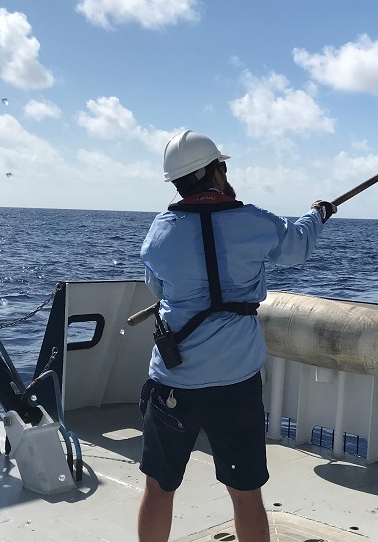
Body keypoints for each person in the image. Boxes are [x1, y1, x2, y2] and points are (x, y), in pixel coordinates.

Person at [137, 130, 336, 542]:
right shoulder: (253, 221)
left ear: (177, 182)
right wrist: (317, 214)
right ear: (215, 172)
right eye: (222, 166)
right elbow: (296, 247)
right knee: (245, 493)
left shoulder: (159, 233)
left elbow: (157, 289)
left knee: (158, 488)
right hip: (235, 384)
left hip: (173, 381)